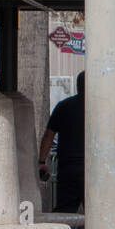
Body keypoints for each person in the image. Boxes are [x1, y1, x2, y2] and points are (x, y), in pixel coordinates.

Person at [39, 71, 84, 213]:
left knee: (65, 210)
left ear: (78, 86)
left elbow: (49, 135)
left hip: (68, 167)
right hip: (93, 168)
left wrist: (41, 162)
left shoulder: (64, 106)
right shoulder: (101, 108)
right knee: (96, 214)